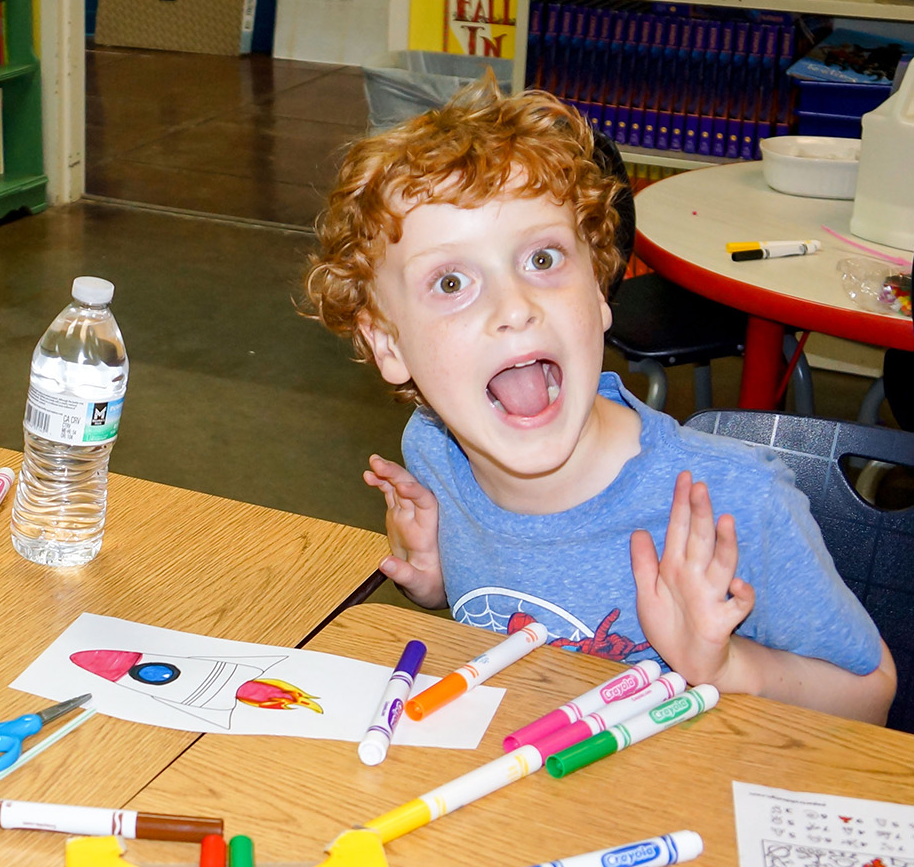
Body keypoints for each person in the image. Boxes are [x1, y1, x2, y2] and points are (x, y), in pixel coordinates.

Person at [302, 80, 896, 725]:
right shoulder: (434, 450)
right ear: (388, 344)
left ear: (600, 287)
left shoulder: (732, 503)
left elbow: (871, 696)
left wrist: (726, 667)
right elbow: (495, 604)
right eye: (451, 281)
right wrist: (435, 580)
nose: (515, 308)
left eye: (543, 257)